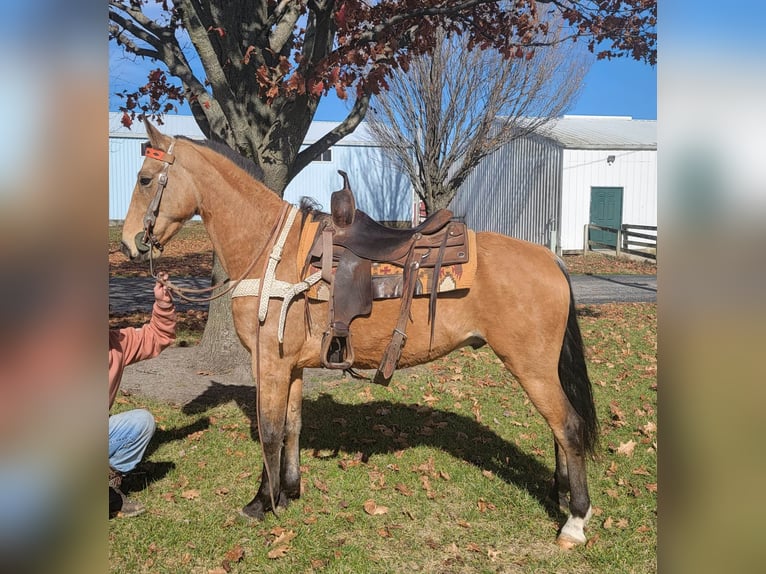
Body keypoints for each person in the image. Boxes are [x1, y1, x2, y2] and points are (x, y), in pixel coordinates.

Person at [109, 272, 175, 518]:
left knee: (141, 422)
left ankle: (107, 487)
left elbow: (157, 336)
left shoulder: (116, 343)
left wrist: (163, 303)